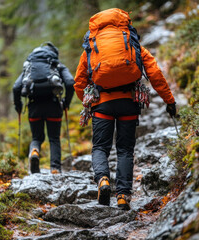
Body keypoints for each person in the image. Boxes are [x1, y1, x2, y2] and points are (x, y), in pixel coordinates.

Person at [74, 9, 177, 209]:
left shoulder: (91, 45)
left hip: (102, 105)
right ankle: (122, 196)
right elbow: (154, 72)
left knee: (100, 148)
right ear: (123, 22)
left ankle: (103, 180)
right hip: (129, 102)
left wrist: (90, 103)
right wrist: (169, 101)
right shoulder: (131, 41)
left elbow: (79, 82)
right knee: (125, 150)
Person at [13, 42, 75, 174]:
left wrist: (18, 106)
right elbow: (70, 82)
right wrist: (66, 103)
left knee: (36, 138)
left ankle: (35, 151)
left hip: (34, 106)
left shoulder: (29, 66)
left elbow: (16, 87)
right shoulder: (56, 64)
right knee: (54, 138)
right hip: (53, 105)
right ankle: (55, 169)